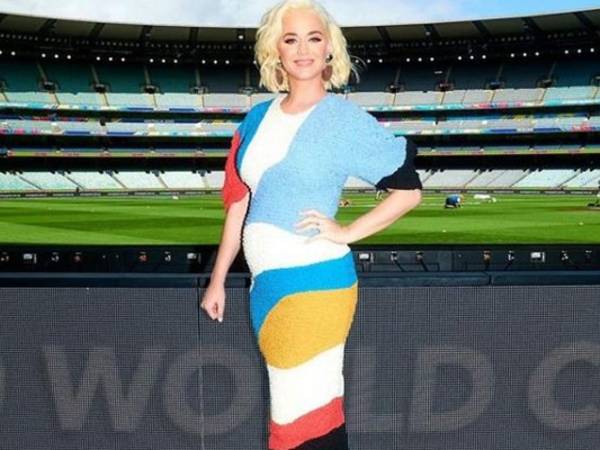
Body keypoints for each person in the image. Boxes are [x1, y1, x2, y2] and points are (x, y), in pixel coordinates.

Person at [200, 1, 422, 449]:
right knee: (306, 409)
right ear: (275, 52)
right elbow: (239, 203)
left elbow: (408, 191)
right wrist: (218, 279)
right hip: (266, 287)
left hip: (315, 282)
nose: (303, 49)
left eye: (314, 38)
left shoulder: (342, 119)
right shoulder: (255, 120)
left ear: (329, 50)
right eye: (291, 39)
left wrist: (346, 232)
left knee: (297, 416)